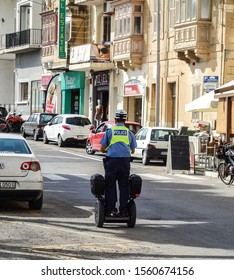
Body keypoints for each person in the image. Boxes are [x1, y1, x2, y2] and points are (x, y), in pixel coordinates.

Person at [100, 109, 137, 217]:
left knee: (110, 186)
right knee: (124, 186)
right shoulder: (129, 133)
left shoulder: (110, 131)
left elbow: (102, 149)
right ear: (125, 120)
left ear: (115, 120)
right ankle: (124, 211)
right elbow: (133, 150)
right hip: (125, 162)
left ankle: (110, 210)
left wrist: (110, 149)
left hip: (112, 161)